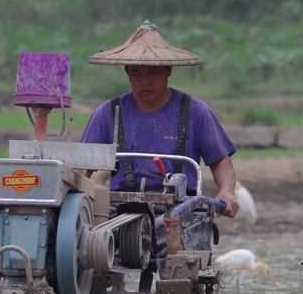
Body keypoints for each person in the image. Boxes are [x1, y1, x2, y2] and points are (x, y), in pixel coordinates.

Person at [79, 20, 240, 219]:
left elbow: (220, 161)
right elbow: (82, 166)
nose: (145, 80)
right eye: (137, 73)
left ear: (168, 70)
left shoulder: (195, 111)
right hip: (121, 208)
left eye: (153, 72)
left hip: (182, 209)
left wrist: (226, 191)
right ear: (127, 73)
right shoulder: (108, 113)